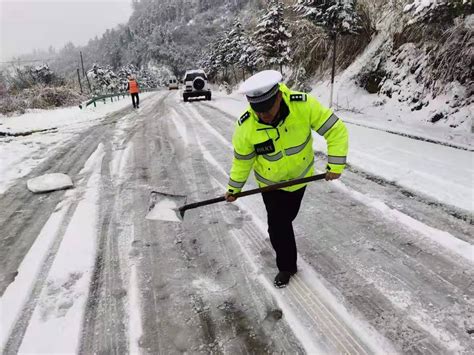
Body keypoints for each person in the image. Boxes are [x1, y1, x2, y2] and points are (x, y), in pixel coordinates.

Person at [224, 70, 348, 288]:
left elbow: (336, 130)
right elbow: (242, 161)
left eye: (268, 109)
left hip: (299, 180)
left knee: (285, 219)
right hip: (270, 185)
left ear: (279, 96)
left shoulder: (304, 105)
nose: (264, 115)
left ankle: (284, 244)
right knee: (278, 224)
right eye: (258, 110)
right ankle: (287, 266)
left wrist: (335, 164)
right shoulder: (246, 126)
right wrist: (234, 189)